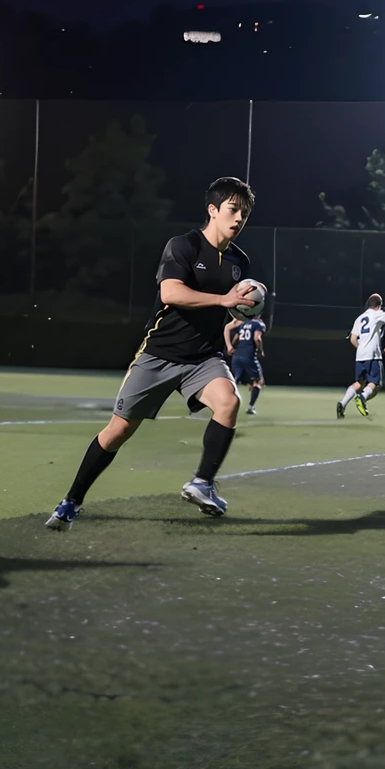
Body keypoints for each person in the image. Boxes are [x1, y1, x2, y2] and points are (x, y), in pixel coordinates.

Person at [45, 177, 258, 530]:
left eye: (245, 214)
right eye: (233, 210)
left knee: (229, 401)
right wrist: (224, 300)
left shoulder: (240, 262)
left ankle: (202, 483)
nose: (239, 219)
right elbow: (172, 293)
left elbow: (225, 309)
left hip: (203, 358)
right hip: (160, 354)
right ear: (213, 210)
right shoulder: (183, 246)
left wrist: (240, 311)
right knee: (118, 431)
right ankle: (71, 502)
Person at [337, 293, 385, 418]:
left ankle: (342, 403)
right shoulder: (378, 314)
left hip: (360, 355)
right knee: (375, 383)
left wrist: (362, 347)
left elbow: (353, 339)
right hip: (372, 355)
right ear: (379, 305)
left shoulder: (360, 318)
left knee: (358, 383)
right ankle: (362, 397)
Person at [224, 313, 267, 414]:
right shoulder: (259, 324)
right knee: (258, 381)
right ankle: (251, 407)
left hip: (237, 355)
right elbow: (257, 338)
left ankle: (224, 402)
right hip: (249, 356)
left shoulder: (243, 323)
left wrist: (232, 347)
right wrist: (261, 351)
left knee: (234, 380)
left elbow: (236, 337)